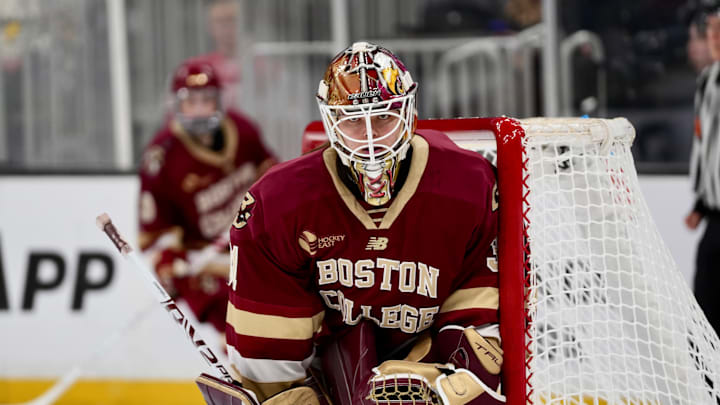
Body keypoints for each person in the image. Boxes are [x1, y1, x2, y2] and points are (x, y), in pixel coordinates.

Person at [197, 42, 504, 405]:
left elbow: (479, 333)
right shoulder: (278, 204)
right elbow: (267, 354)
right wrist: (287, 397)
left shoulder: (467, 184)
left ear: (409, 113)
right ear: (331, 123)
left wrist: (445, 385)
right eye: (354, 121)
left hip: (426, 357)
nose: (371, 138)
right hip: (329, 369)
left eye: (384, 118)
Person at [138, 59, 275, 334]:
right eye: (191, 102)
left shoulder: (242, 129)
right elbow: (156, 232)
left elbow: (273, 180)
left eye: (207, 100)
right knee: (242, 337)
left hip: (257, 251)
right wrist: (167, 264)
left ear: (219, 101)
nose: (199, 111)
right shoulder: (161, 157)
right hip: (207, 267)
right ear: (177, 106)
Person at [687, 1, 720, 336]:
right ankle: (710, 388)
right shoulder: (707, 83)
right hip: (714, 219)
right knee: (705, 322)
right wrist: (701, 203)